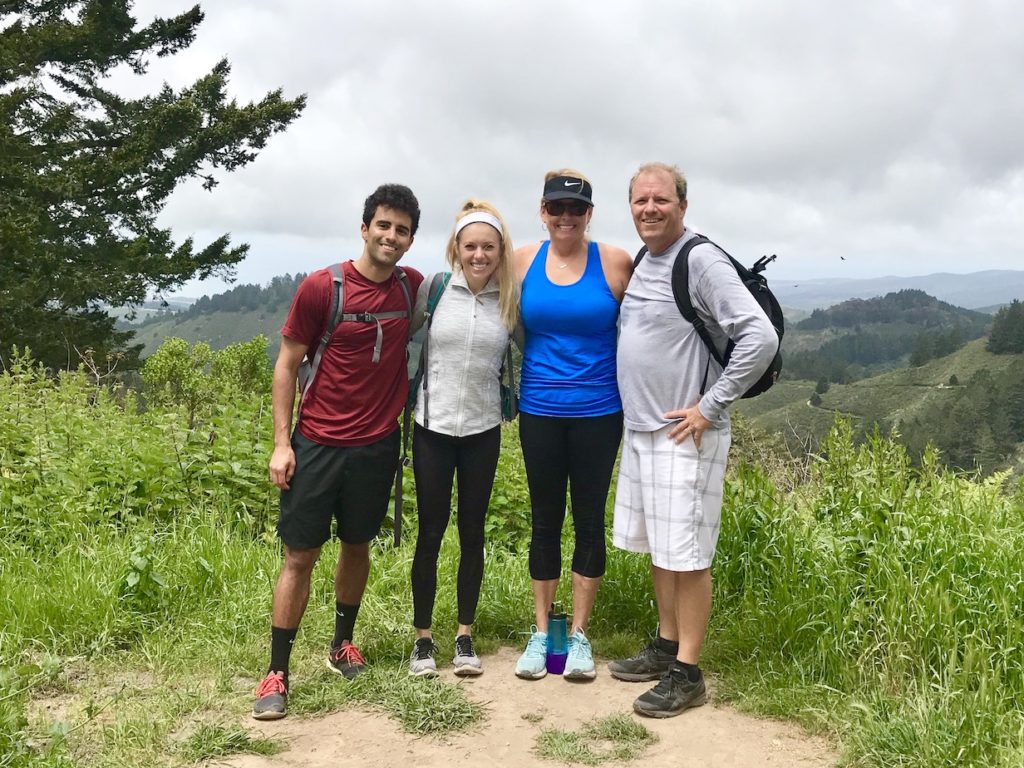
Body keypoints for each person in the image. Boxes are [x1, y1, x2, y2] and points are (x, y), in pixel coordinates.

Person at [609, 163, 778, 717]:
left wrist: (709, 407)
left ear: (682, 205)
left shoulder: (698, 259)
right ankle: (665, 644)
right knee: (663, 549)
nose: (649, 209)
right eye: (640, 201)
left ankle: (688, 671)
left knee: (688, 556)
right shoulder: (647, 260)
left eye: (660, 199)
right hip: (644, 432)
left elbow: (760, 336)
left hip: (686, 435)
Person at [252, 184, 424, 720]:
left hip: (376, 447)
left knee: (357, 545)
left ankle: (341, 644)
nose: (391, 236)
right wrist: (282, 444)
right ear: (365, 226)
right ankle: (277, 671)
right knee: (299, 556)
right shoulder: (320, 288)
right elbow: (286, 366)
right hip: (318, 443)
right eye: (383, 225)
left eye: (402, 230)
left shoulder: (412, 289)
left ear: (411, 238)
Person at [512, 169, 632, 681]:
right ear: (542, 212)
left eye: (575, 209)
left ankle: (579, 636)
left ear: (589, 214)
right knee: (544, 519)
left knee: (587, 517)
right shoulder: (522, 261)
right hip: (539, 408)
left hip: (600, 411)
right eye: (556, 208)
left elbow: (650, 323)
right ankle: (543, 633)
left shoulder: (615, 262)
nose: (565, 217)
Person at [406, 200, 519, 678]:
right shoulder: (433, 292)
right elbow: (397, 338)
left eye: (487, 247)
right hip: (430, 427)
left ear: (500, 251)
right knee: (430, 533)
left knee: (473, 534)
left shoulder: (510, 301)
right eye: (470, 245)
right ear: (456, 247)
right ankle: (423, 640)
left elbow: (538, 351)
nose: (478, 255)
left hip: (482, 429)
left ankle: (465, 635)